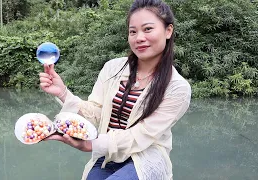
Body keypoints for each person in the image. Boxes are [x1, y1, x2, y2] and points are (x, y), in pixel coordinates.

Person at [39, 0, 191, 179]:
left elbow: (141, 135)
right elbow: (97, 114)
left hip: (144, 158)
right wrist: (63, 92)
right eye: (133, 31)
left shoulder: (177, 88)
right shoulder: (112, 68)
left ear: (168, 31)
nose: (139, 38)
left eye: (148, 29)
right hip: (107, 155)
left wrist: (92, 144)